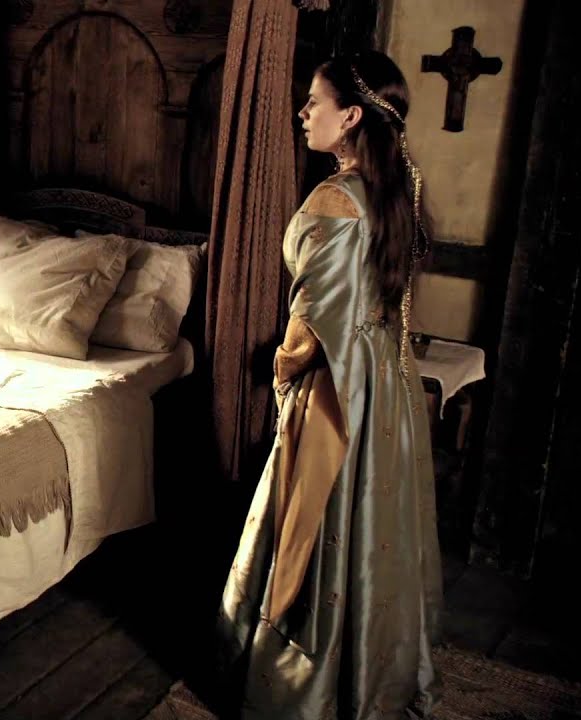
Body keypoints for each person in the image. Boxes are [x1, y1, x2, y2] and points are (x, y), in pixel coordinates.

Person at [213, 50, 443, 719]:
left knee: (312, 521)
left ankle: (301, 683)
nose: (302, 112)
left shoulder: (335, 199)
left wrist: (283, 370)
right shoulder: (392, 190)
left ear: (350, 118)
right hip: (384, 381)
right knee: (370, 520)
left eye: (314, 101)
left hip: (337, 386)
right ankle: (368, 671)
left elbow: (311, 321)